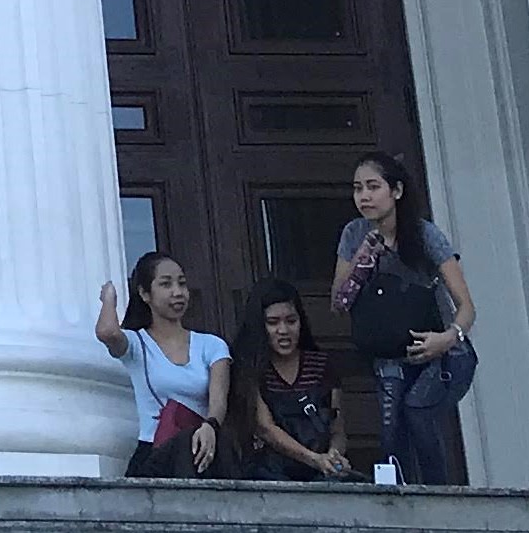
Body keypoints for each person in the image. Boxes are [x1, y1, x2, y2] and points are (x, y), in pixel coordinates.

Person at [333, 149, 478, 484]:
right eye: (358, 188)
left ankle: (439, 498)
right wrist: (363, 259)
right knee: (389, 436)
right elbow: (337, 302)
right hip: (390, 355)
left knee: (418, 411)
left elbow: (467, 307)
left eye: (373, 186)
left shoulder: (425, 235)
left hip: (441, 355)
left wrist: (447, 338)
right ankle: (395, 503)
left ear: (396, 191)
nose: (364, 196)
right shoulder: (354, 235)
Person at [95, 252, 230, 476]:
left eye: (182, 284)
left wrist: (211, 425)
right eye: (166, 284)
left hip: (202, 449)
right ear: (145, 294)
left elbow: (218, 400)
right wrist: (109, 296)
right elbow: (107, 332)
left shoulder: (212, 345)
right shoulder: (137, 344)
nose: (178, 292)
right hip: (156, 452)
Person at [226, 278, 350, 482]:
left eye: (291, 321)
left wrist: (334, 456)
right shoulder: (249, 368)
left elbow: (337, 427)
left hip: (321, 469)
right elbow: (265, 428)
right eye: (273, 323)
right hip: (270, 473)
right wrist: (314, 459)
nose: (283, 331)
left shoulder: (321, 364)